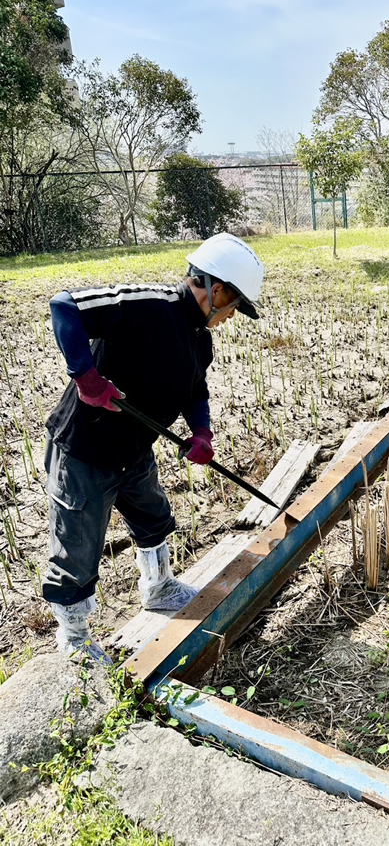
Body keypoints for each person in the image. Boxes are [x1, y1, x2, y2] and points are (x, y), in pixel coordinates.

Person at [43, 233, 264, 663]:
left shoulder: (200, 338)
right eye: (236, 305)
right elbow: (65, 306)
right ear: (216, 290)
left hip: (134, 449)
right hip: (85, 450)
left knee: (153, 518)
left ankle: (159, 588)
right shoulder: (147, 304)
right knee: (78, 547)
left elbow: (194, 391)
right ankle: (73, 638)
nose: (233, 315)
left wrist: (202, 432)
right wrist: (85, 377)